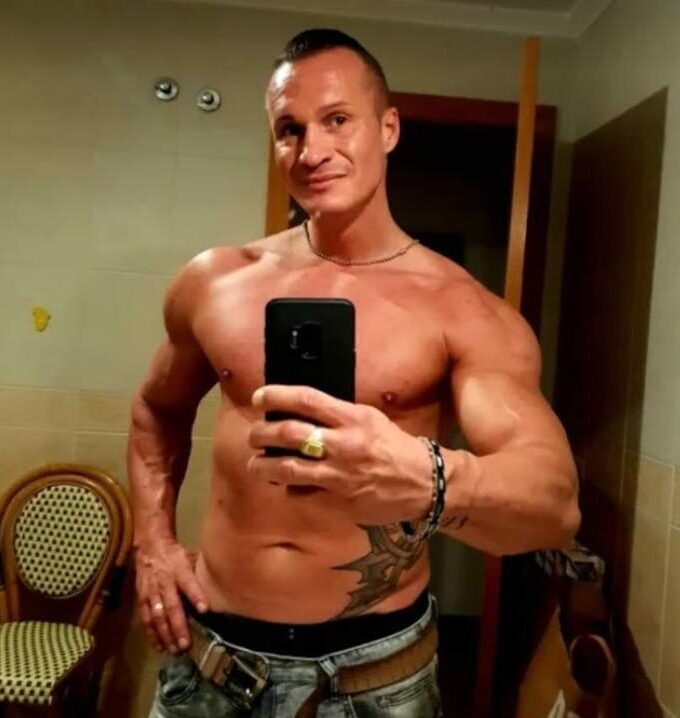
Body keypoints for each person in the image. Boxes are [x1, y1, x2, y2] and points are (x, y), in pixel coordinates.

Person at [128, 28, 581, 718]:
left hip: (375, 681)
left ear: (388, 128)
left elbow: (553, 504)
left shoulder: (462, 309)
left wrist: (426, 478)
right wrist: (153, 543)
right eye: (290, 129)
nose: (312, 151)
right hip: (211, 663)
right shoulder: (216, 281)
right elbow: (156, 410)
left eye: (337, 119)